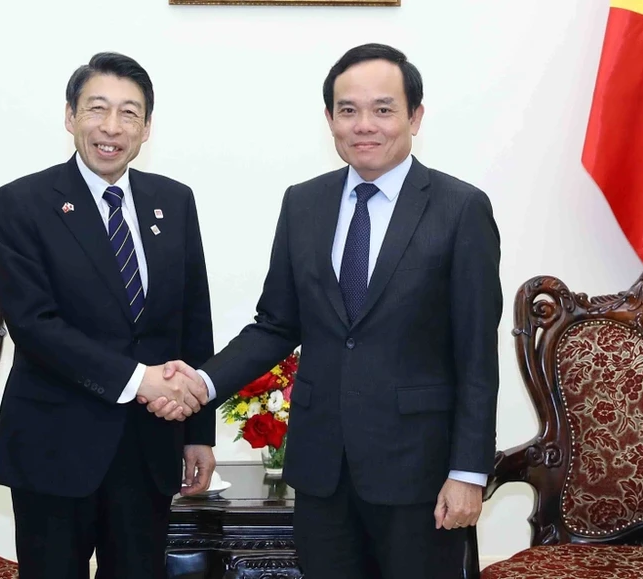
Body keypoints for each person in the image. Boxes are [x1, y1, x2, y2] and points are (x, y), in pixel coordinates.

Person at [154, 43, 502, 579]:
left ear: (415, 116)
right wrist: (201, 381)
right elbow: (275, 324)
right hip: (322, 471)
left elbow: (477, 354)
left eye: (383, 109)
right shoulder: (303, 203)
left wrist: (469, 472)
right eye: (348, 110)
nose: (365, 124)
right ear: (329, 120)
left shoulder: (460, 209)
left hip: (420, 474)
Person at [0, 52, 215, 579]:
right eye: (97, 109)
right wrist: (140, 381)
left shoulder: (174, 202)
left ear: (147, 127)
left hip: (148, 448)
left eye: (129, 113)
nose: (112, 128)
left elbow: (192, 321)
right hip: (55, 447)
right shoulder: (24, 202)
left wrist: (199, 432)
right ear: (70, 116)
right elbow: (34, 324)